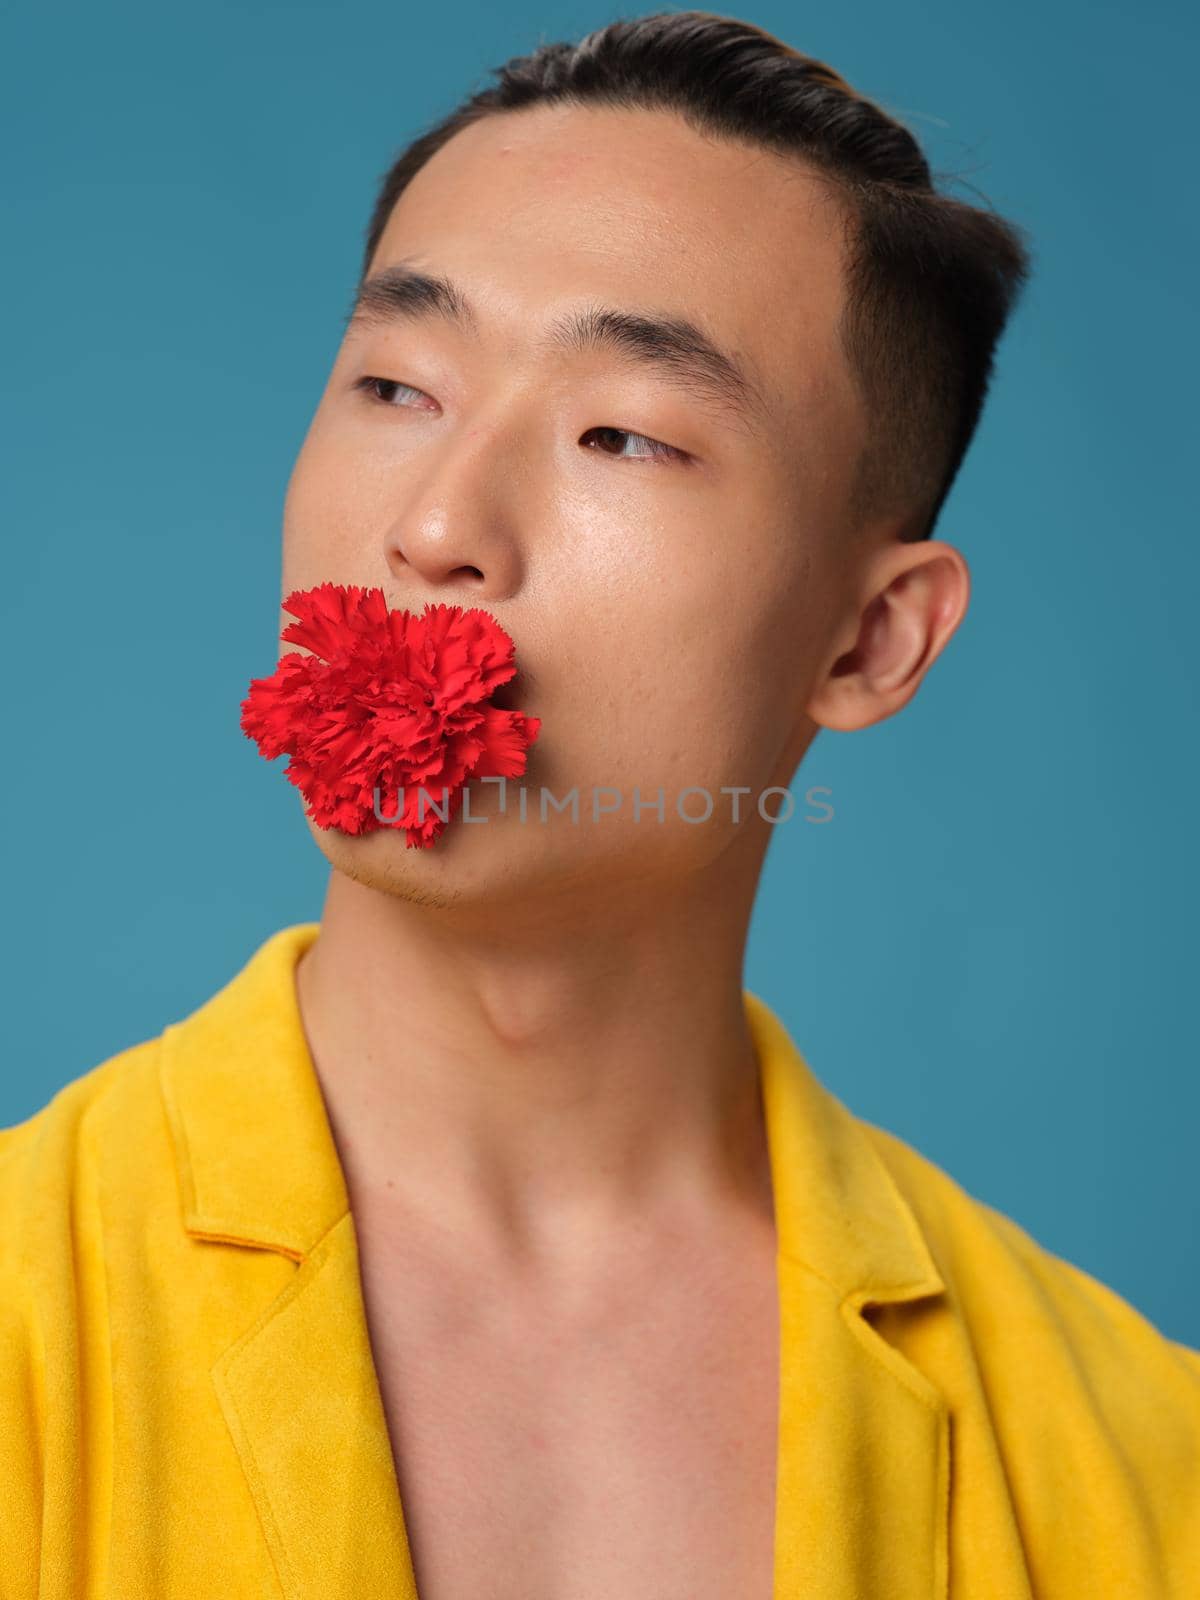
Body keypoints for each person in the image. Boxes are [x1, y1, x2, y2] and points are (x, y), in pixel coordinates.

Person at [3, 11, 1197, 1597]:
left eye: (621, 432)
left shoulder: (1132, 1465)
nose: (436, 526)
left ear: (869, 637)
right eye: (395, 384)